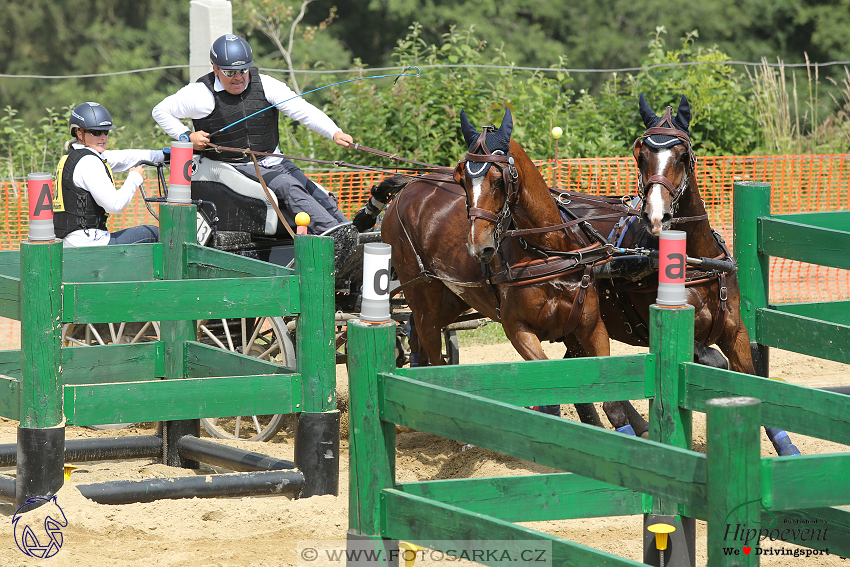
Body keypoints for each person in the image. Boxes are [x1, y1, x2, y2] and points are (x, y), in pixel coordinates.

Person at [151, 34, 357, 253]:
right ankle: (340, 242)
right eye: (230, 72)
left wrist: (334, 132)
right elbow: (160, 111)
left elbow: (302, 110)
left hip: (273, 159)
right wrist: (186, 136)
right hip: (232, 166)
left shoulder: (266, 85)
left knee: (315, 191)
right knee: (288, 186)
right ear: (215, 69)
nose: (238, 78)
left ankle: (351, 234)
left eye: (243, 70)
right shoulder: (200, 94)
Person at [53, 102, 164, 247]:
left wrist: (163, 155)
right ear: (79, 133)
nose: (103, 137)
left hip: (74, 241)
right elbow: (114, 205)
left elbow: (127, 158)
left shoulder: (75, 156)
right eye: (96, 132)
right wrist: (134, 179)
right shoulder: (89, 162)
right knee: (154, 233)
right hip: (91, 244)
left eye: (106, 131)